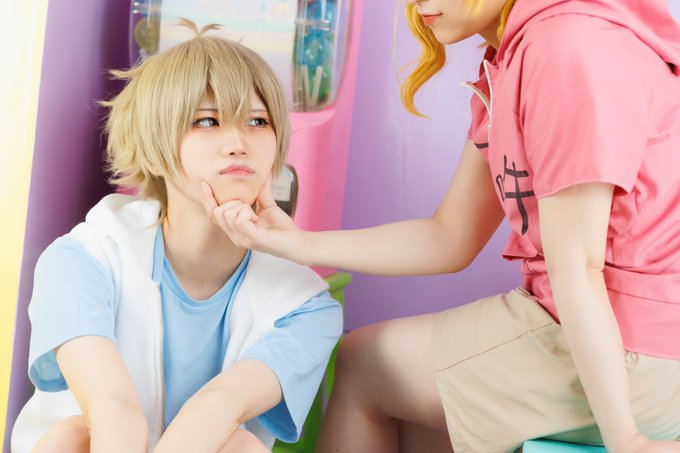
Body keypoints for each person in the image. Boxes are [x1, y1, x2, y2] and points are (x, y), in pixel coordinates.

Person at [200, 0, 680, 452]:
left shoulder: (566, 47)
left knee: (366, 367)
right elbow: (449, 236)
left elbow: (578, 267)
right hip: (605, 326)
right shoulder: (515, 57)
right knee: (408, 398)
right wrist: (297, 243)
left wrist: (627, 440)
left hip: (638, 348)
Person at [11, 20, 343, 453]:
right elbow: (114, 411)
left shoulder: (306, 308)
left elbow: (216, 408)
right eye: (207, 121)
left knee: (241, 446)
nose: (238, 142)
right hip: (103, 443)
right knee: (72, 435)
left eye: (257, 121)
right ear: (153, 149)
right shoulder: (82, 259)